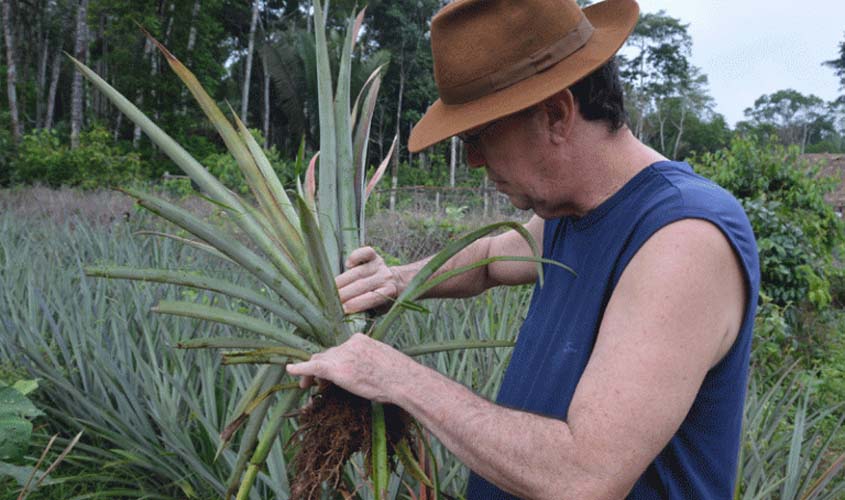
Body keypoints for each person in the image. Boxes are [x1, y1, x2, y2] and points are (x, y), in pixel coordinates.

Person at [287, 0, 761, 498]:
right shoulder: (569, 213)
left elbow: (586, 475)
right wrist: (399, 280)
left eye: (480, 135)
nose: (471, 160)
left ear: (556, 115)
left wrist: (397, 377)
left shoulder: (682, 239)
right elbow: (493, 258)